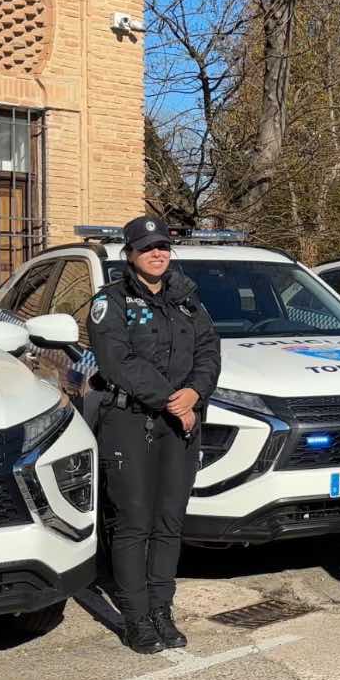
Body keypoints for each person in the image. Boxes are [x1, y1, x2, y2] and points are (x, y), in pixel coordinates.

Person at [88, 215, 221, 653]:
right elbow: (117, 362)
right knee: (133, 523)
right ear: (130, 254)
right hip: (130, 423)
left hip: (179, 424)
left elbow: (209, 353)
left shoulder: (187, 299)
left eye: (163, 246)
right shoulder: (112, 301)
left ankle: (162, 610)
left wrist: (195, 393)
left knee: (169, 521)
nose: (158, 254)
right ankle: (136, 617)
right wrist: (171, 399)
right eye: (147, 248)